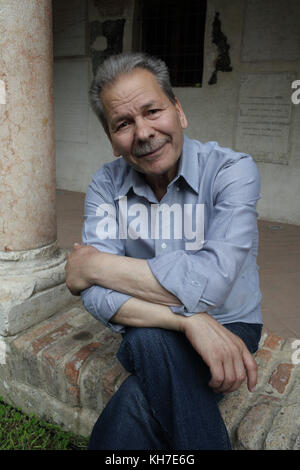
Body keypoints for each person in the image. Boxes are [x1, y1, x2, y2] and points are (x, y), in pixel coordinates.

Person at [65, 52, 263, 450]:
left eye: (153, 111)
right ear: (112, 141)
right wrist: (188, 321)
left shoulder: (232, 171)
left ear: (178, 112)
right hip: (163, 325)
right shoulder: (106, 184)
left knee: (145, 343)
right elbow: (93, 294)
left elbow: (211, 287)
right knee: (150, 345)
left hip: (231, 324)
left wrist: (94, 264)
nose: (143, 132)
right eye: (123, 123)